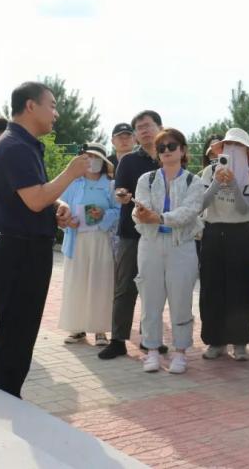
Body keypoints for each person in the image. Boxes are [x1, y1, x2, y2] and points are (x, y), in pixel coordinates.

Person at [0, 82, 90, 398]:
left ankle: (7, 397)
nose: (56, 114)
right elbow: (34, 200)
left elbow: (34, 196)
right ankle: (4, 400)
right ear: (31, 106)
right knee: (15, 336)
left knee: (19, 335)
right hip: (20, 252)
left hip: (25, 249)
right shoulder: (16, 146)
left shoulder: (23, 144)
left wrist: (56, 205)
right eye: (52, 105)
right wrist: (70, 173)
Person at [132, 128, 204, 374]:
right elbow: (140, 207)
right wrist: (142, 213)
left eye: (171, 146)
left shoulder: (194, 181)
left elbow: (189, 212)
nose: (166, 151)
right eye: (161, 148)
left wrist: (159, 217)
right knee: (150, 299)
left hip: (181, 246)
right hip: (150, 244)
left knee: (181, 299)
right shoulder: (146, 179)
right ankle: (152, 350)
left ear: (182, 150)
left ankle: (180, 352)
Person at [98, 110, 163, 360]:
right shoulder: (128, 161)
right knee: (125, 287)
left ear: (159, 127)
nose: (144, 130)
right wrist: (123, 196)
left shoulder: (169, 156)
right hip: (131, 232)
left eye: (148, 125)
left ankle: (150, 338)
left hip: (161, 232)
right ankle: (118, 340)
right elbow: (120, 190)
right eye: (140, 127)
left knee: (155, 288)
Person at [198, 128, 249, 361]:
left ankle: (240, 341)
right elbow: (201, 204)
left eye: (239, 146)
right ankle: (215, 340)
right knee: (212, 287)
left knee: (239, 288)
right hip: (213, 231)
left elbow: (244, 208)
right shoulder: (208, 171)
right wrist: (216, 182)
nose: (234, 150)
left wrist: (233, 184)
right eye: (229, 145)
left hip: (240, 232)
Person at [58, 142, 119, 347]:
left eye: (96, 158)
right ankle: (77, 329)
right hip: (76, 240)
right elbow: (58, 207)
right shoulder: (72, 183)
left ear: (104, 162)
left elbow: (119, 211)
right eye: (88, 157)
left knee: (101, 284)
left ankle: (100, 330)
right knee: (77, 283)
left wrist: (103, 214)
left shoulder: (111, 185)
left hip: (101, 240)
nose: (92, 161)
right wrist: (67, 220)